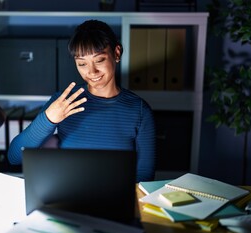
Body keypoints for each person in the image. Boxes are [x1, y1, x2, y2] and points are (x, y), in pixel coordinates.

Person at [8, 19, 156, 182]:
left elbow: (144, 175)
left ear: (117, 53)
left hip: (115, 200)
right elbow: (14, 157)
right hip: (66, 196)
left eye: (99, 60)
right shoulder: (63, 102)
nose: (91, 71)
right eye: (82, 64)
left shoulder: (139, 110)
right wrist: (48, 119)